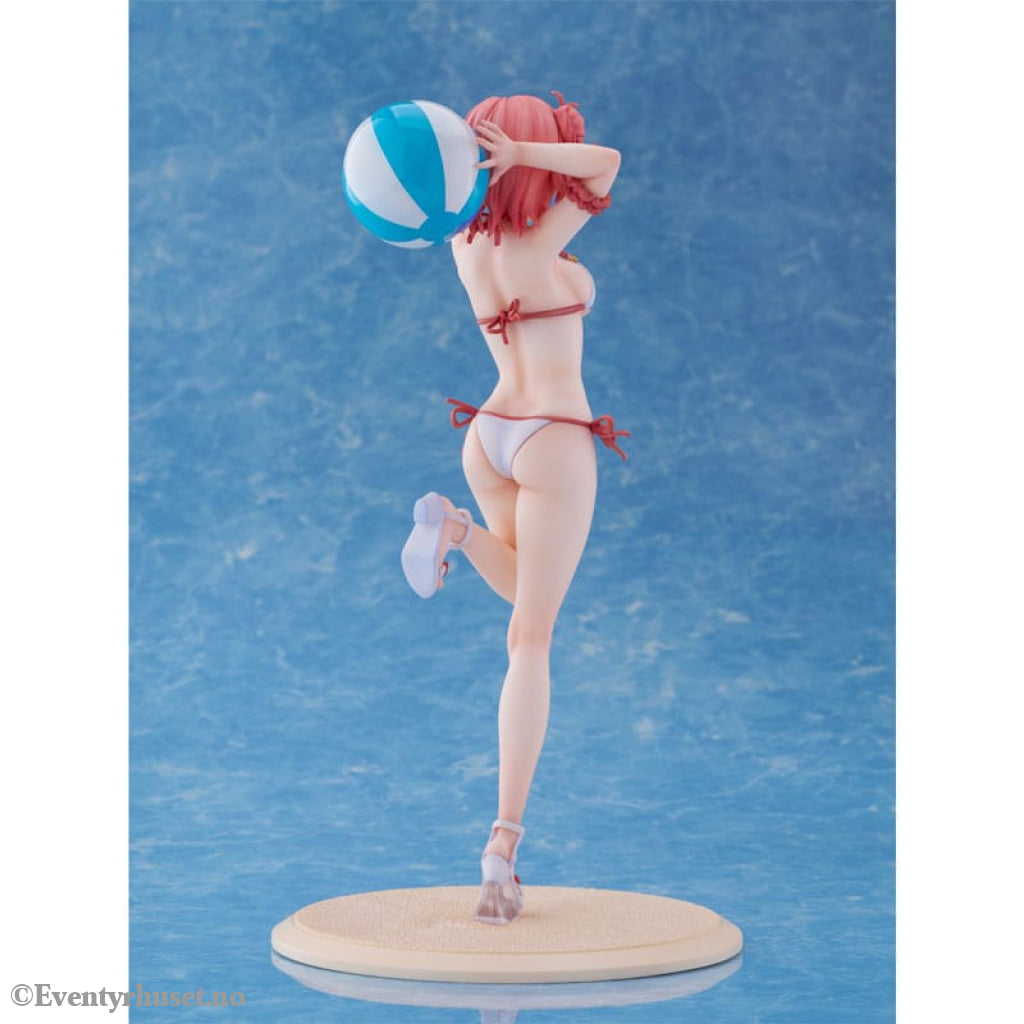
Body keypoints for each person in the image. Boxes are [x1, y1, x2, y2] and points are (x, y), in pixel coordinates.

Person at [400, 92, 625, 924]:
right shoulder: (543, 240)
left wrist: (473, 161)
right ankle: (503, 842)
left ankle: (456, 528)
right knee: (533, 639)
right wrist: (527, 155)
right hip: (553, 436)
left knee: (518, 601)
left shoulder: (467, 244)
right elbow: (607, 165)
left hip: (490, 433)